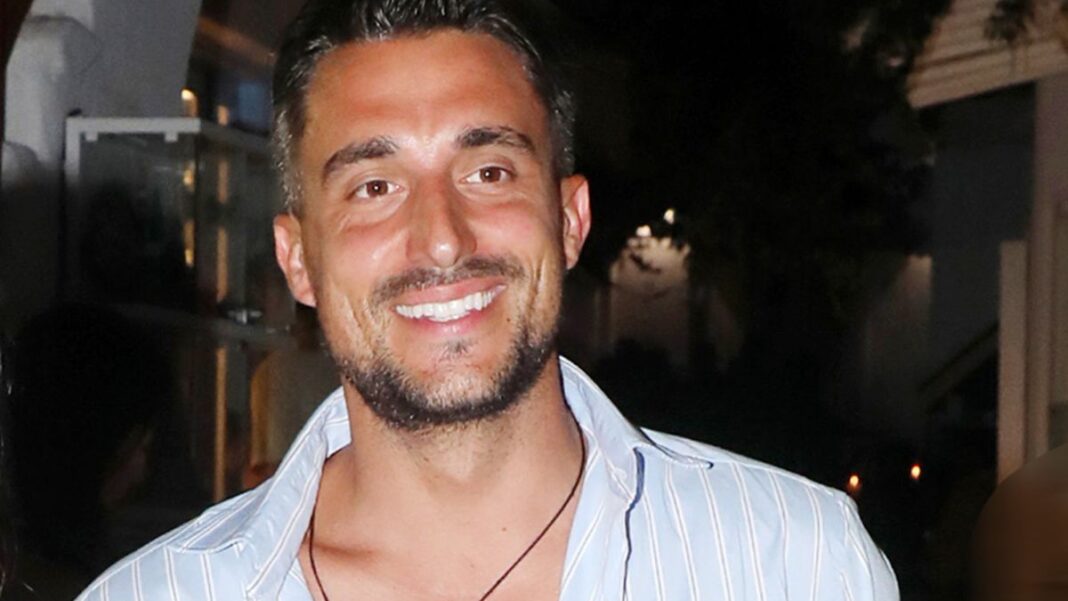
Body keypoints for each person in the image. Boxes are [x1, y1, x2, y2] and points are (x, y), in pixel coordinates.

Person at [77, 0, 897, 599]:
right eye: (374, 186)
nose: (441, 238)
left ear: (569, 220)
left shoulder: (794, 565)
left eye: (489, 171)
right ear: (299, 260)